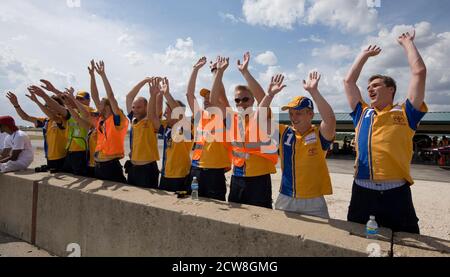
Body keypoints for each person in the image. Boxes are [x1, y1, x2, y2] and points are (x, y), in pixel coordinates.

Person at [343, 30, 427, 234]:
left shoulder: (407, 112)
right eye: (368, 86)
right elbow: (349, 82)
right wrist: (364, 55)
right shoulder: (362, 113)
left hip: (396, 193)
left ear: (391, 89)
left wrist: (407, 43)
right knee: (357, 242)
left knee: (409, 244)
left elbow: (419, 72)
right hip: (362, 191)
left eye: (376, 85)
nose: (370, 89)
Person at [259, 72, 336, 218]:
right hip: (286, 196)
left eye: (299, 113)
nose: (294, 117)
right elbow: (259, 121)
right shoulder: (284, 132)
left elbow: (330, 119)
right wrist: (269, 95)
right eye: (291, 113)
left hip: (314, 199)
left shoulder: (320, 134)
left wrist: (314, 91)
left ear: (311, 115)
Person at [211, 53, 278, 209]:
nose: (241, 103)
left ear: (253, 100)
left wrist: (245, 72)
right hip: (237, 178)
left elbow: (263, 98)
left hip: (259, 179)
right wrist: (218, 72)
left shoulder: (261, 115)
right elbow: (214, 101)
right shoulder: (233, 118)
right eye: (237, 100)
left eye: (245, 99)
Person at [186, 57, 231, 201]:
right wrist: (195, 69)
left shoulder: (224, 116)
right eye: (204, 97)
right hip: (195, 169)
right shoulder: (200, 116)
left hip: (214, 173)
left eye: (209, 96)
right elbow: (189, 94)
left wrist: (217, 72)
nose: (206, 99)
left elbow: (216, 99)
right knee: (194, 203)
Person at [6, 90, 68, 172]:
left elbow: (54, 117)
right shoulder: (46, 121)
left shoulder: (63, 120)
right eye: (47, 106)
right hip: (50, 157)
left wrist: (37, 101)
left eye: (51, 106)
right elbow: (25, 117)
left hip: (62, 157)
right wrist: (16, 105)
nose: (48, 108)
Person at [38, 80, 90, 176]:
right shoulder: (73, 113)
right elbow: (61, 105)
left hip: (82, 152)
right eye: (77, 99)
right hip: (69, 151)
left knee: (81, 175)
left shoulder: (88, 112)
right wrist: (52, 90)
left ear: (88, 101)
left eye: (81, 99)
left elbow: (65, 104)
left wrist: (47, 93)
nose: (78, 101)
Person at [89, 60, 129, 183]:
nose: (97, 105)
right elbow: (94, 95)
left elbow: (111, 96)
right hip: (99, 164)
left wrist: (103, 75)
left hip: (111, 165)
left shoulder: (116, 118)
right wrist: (92, 76)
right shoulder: (101, 120)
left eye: (100, 104)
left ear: (107, 106)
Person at [157, 78, 194, 192]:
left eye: (168, 110)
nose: (165, 113)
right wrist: (157, 94)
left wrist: (167, 94)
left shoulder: (187, 126)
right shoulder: (167, 127)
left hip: (181, 177)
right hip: (165, 174)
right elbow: (154, 116)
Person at [125, 77, 160, 188]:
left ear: (146, 107)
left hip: (147, 169)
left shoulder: (150, 120)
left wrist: (154, 94)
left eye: (139, 107)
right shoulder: (133, 119)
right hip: (133, 168)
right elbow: (129, 96)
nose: (135, 110)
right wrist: (144, 81)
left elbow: (156, 110)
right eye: (133, 107)